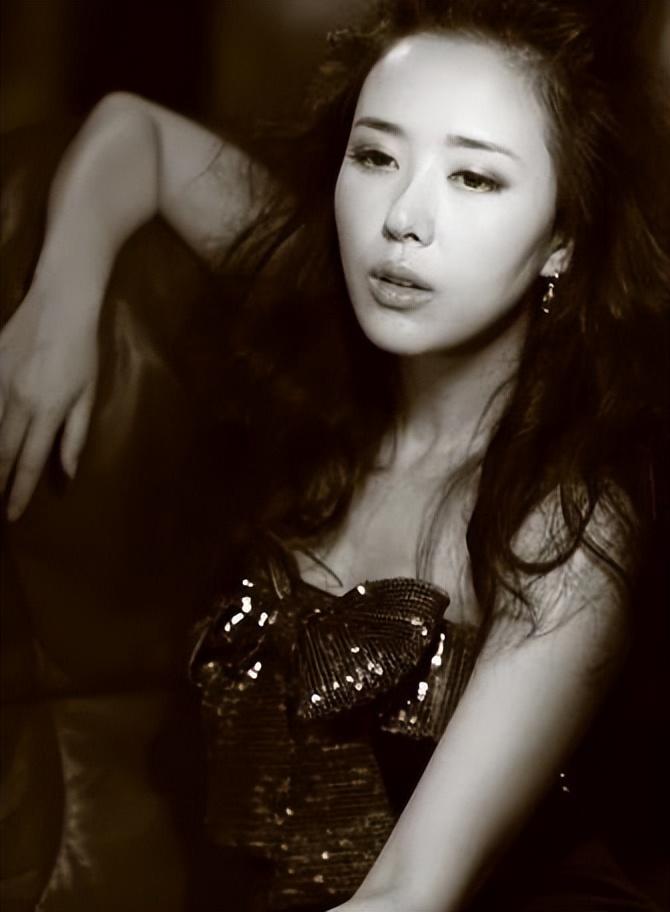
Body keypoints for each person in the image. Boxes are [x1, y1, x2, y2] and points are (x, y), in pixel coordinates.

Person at [0, 1, 668, 909]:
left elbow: (408, 894)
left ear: (561, 241)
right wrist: (60, 302)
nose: (404, 218)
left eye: (475, 178)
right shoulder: (318, 322)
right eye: (377, 156)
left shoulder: (568, 520)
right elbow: (137, 134)